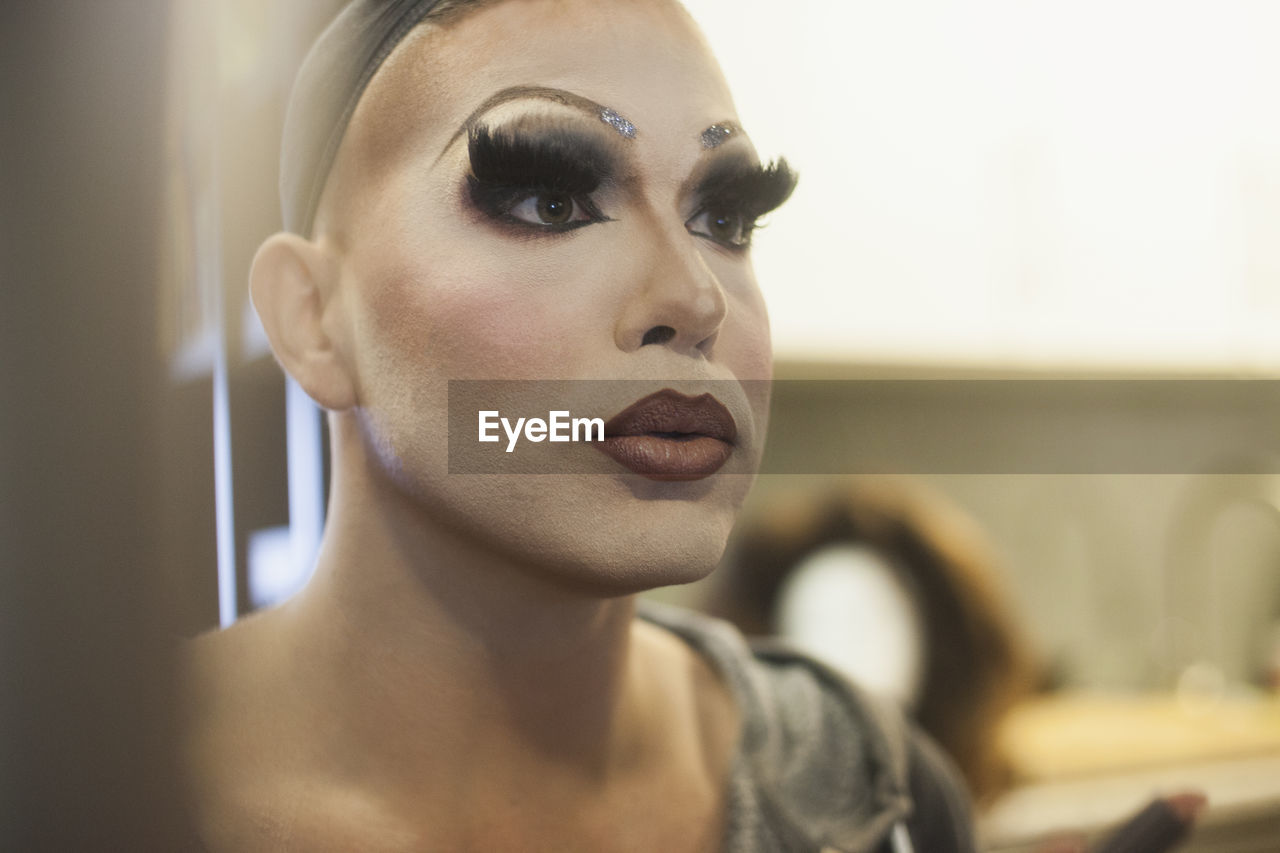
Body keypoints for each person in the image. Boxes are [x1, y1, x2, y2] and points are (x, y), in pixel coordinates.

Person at [181, 1, 976, 850]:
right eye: (549, 203)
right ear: (312, 318)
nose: (697, 299)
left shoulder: (867, 786)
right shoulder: (78, 791)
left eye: (724, 221)